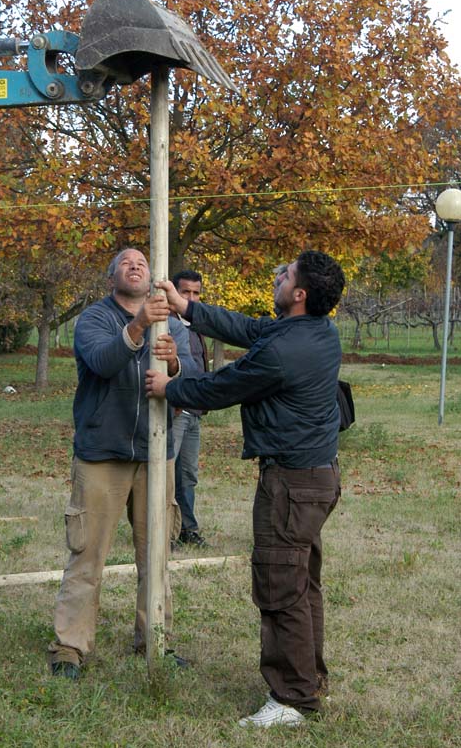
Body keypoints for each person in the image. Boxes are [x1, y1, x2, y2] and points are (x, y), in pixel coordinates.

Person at [146, 250, 345, 727]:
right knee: (302, 583)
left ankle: (293, 699)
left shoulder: (283, 351)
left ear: (298, 294)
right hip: (315, 478)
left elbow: (223, 387)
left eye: (286, 273)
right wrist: (186, 307)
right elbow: (248, 329)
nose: (277, 273)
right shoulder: (314, 330)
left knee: (281, 585)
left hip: (291, 484)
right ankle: (307, 678)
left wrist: (169, 388)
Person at [48, 248, 196, 680]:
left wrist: (172, 363)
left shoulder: (173, 323)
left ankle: (156, 640)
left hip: (157, 454)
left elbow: (188, 382)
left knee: (157, 555)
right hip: (102, 454)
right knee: (86, 553)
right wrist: (139, 325)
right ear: (112, 276)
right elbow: (102, 362)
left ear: (152, 276)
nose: (135, 265)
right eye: (126, 262)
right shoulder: (94, 319)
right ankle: (69, 648)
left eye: (142, 262)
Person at [171, 270, 210, 548]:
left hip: (194, 411)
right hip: (172, 411)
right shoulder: (163, 324)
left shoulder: (195, 325)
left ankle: (188, 529)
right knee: (164, 473)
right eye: (186, 292)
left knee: (188, 475)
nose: (191, 298)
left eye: (196, 293)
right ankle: (165, 532)